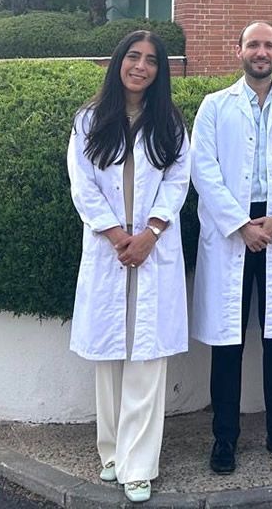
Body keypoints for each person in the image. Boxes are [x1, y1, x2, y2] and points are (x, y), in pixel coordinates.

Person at [66, 30, 191, 504]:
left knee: (147, 358)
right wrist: (117, 236)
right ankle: (112, 451)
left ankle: (139, 466)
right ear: (119, 61)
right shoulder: (89, 120)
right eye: (133, 57)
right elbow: (82, 185)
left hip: (153, 249)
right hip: (111, 249)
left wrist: (150, 233)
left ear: (160, 72)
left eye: (151, 61)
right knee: (110, 356)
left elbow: (178, 181)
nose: (141, 66)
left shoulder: (170, 123)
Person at [190, 21, 272, 472]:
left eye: (269, 45)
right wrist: (241, 224)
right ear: (239, 50)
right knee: (228, 341)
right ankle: (224, 437)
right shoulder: (214, 106)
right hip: (233, 231)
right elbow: (203, 170)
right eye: (253, 45)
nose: (261, 52)